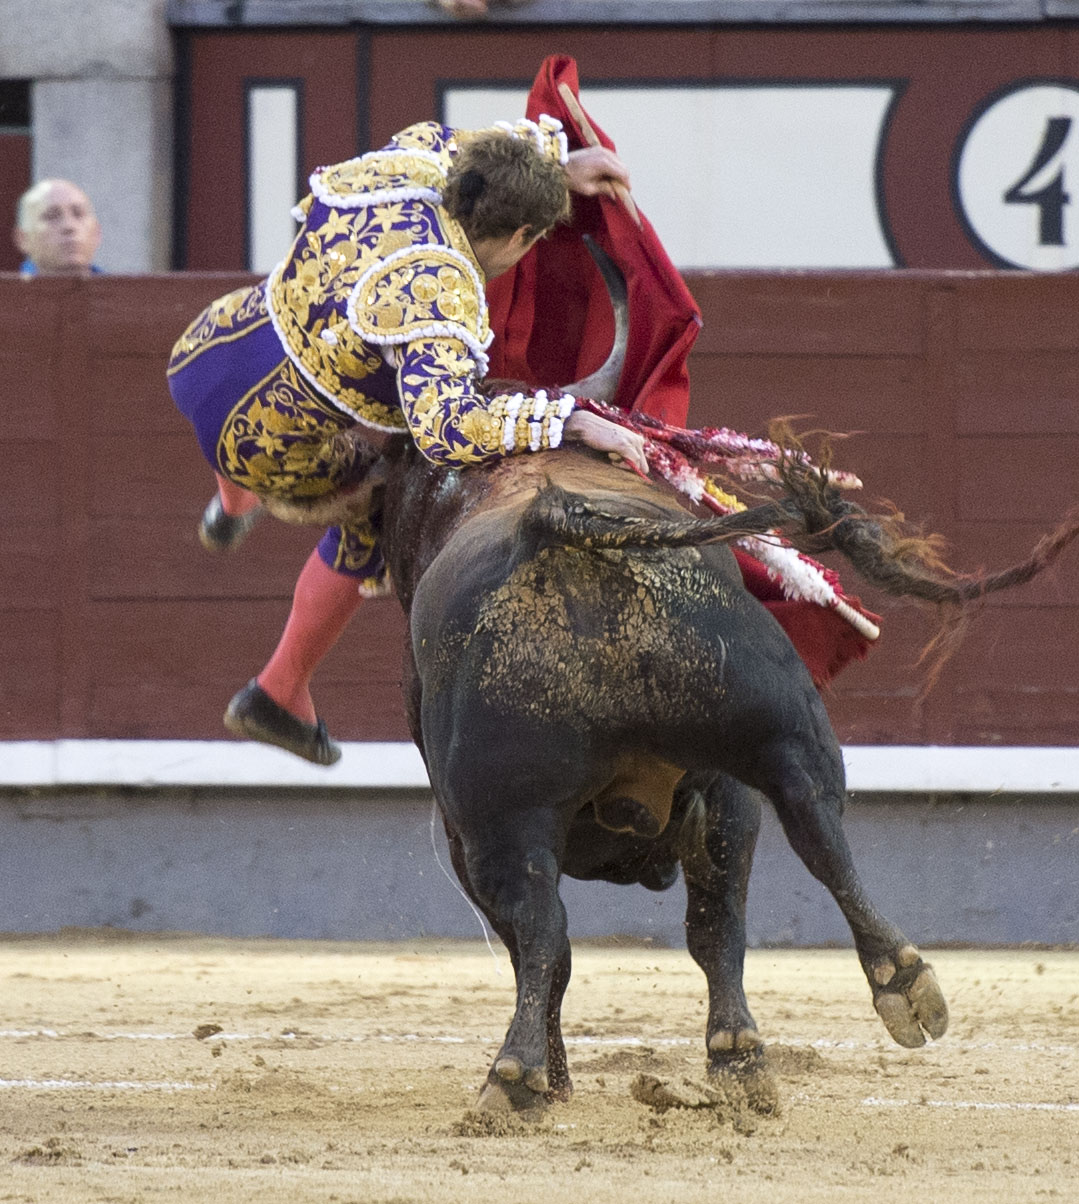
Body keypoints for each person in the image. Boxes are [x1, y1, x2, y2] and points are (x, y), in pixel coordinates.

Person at [168, 114, 645, 765]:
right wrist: (565, 419)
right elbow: (447, 428)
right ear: (519, 235)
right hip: (264, 445)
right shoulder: (440, 292)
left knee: (271, 385)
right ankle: (278, 691)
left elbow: (470, 148)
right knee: (377, 510)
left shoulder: (415, 160)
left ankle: (230, 507)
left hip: (207, 349)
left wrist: (552, 165)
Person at [14, 178, 102, 278]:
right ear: (23, 238)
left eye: (78, 214)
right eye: (52, 216)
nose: (69, 226)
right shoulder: (7, 292)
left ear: (96, 233)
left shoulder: (120, 292)